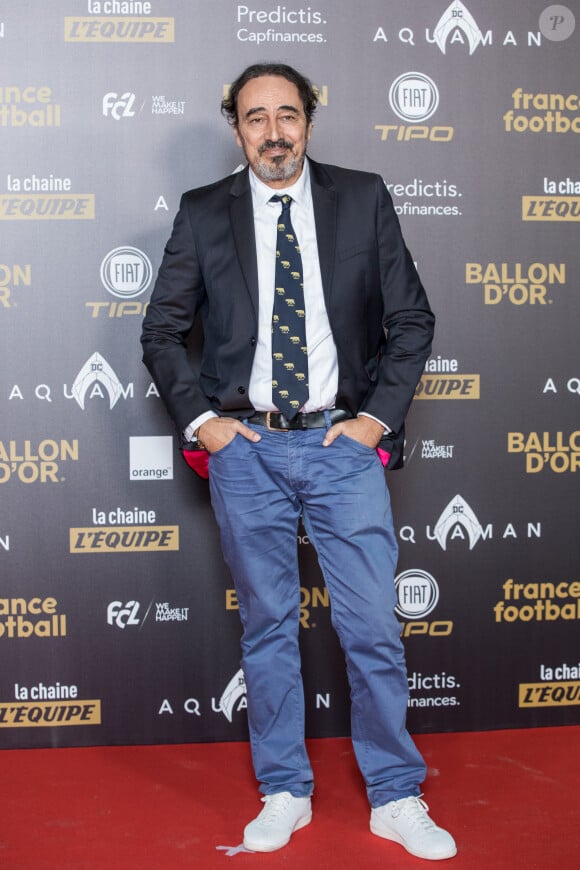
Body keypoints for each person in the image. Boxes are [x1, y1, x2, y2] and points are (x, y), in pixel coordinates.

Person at [141, 62, 456, 861]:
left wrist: (375, 420)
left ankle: (394, 794)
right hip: (247, 451)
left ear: (309, 121)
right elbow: (161, 332)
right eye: (255, 118)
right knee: (269, 629)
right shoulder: (205, 212)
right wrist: (204, 422)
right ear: (236, 126)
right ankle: (284, 789)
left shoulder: (362, 195)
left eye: (287, 114)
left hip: (340, 445)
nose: (273, 132)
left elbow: (411, 320)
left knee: (373, 626)